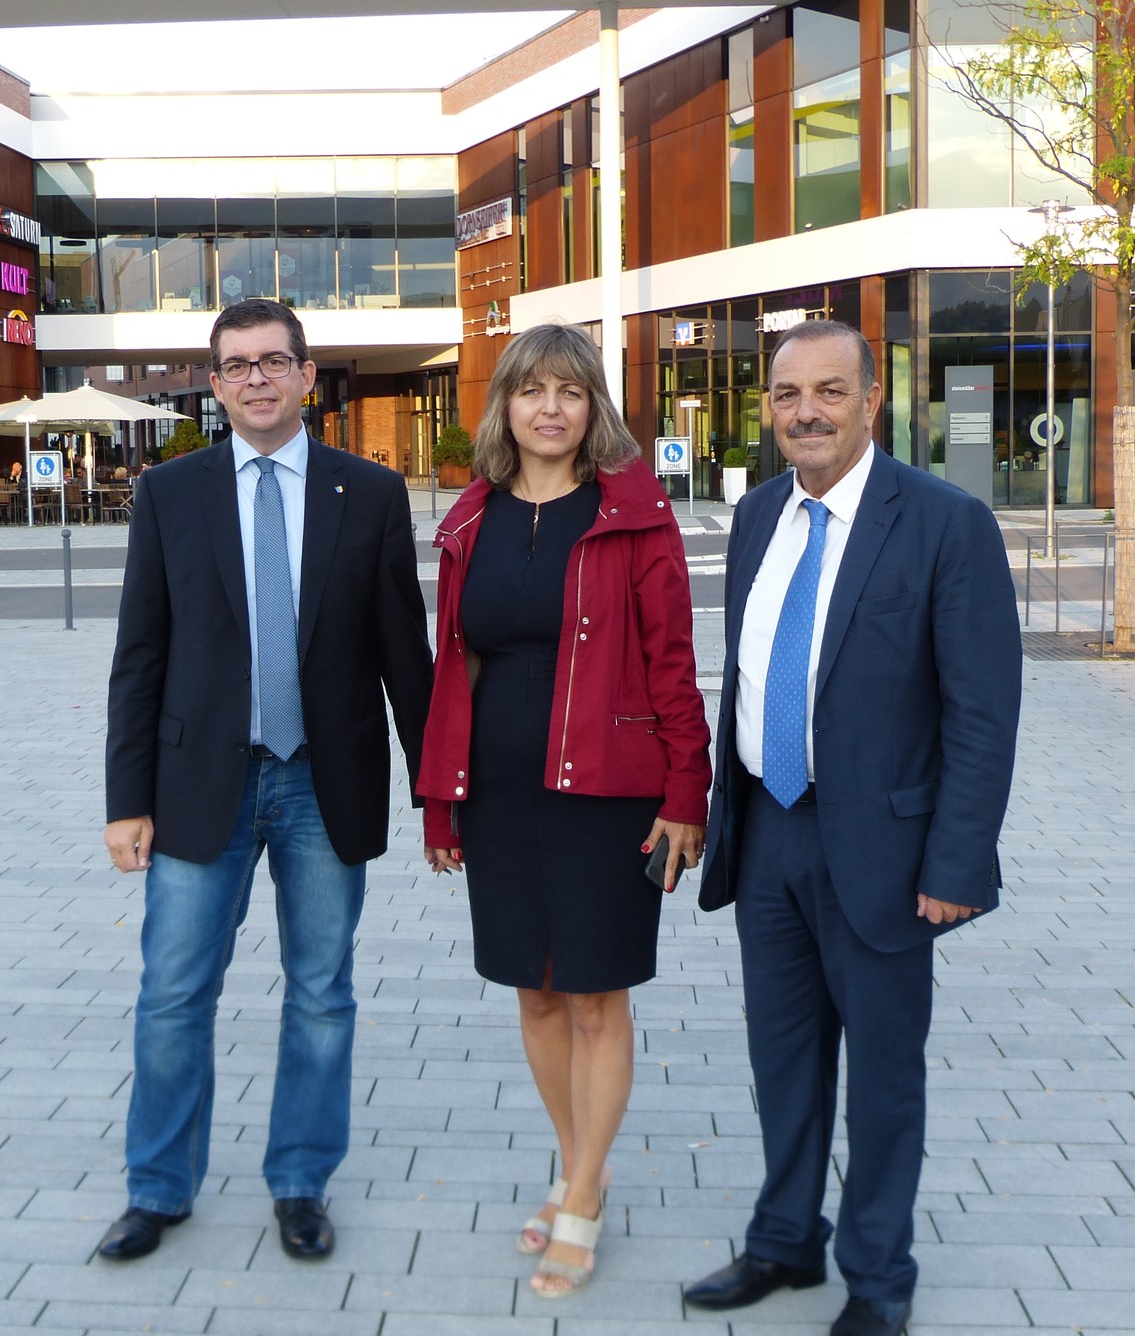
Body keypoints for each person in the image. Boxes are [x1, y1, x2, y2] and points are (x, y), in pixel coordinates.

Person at [681, 320, 1020, 1336]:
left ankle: (876, 1271)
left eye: (828, 392)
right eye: (786, 395)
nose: (805, 413)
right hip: (768, 831)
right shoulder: (753, 519)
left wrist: (956, 859)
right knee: (781, 1060)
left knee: (880, 1073)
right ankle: (785, 1238)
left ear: (871, 402)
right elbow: (745, 677)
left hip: (882, 847)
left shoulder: (941, 522)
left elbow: (981, 712)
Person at [101, 298, 433, 1265]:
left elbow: (403, 657)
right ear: (215, 384)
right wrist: (126, 800)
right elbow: (139, 656)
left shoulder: (367, 494)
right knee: (172, 994)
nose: (255, 377)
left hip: (320, 785)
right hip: (199, 781)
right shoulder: (171, 494)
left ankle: (300, 1182)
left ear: (306, 376)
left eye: (273, 361)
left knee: (322, 992)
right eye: (236, 364)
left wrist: (437, 795)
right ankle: (157, 1189)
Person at [419, 323, 711, 1298]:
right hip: (498, 796)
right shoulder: (471, 516)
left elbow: (672, 657)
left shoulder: (631, 512)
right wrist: (437, 802)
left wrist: (687, 791)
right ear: (503, 404)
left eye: (569, 391)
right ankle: (574, 1161)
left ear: (594, 409)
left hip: (608, 792)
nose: (549, 407)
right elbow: (451, 669)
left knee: (594, 994)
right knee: (533, 990)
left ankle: (581, 1195)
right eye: (530, 389)